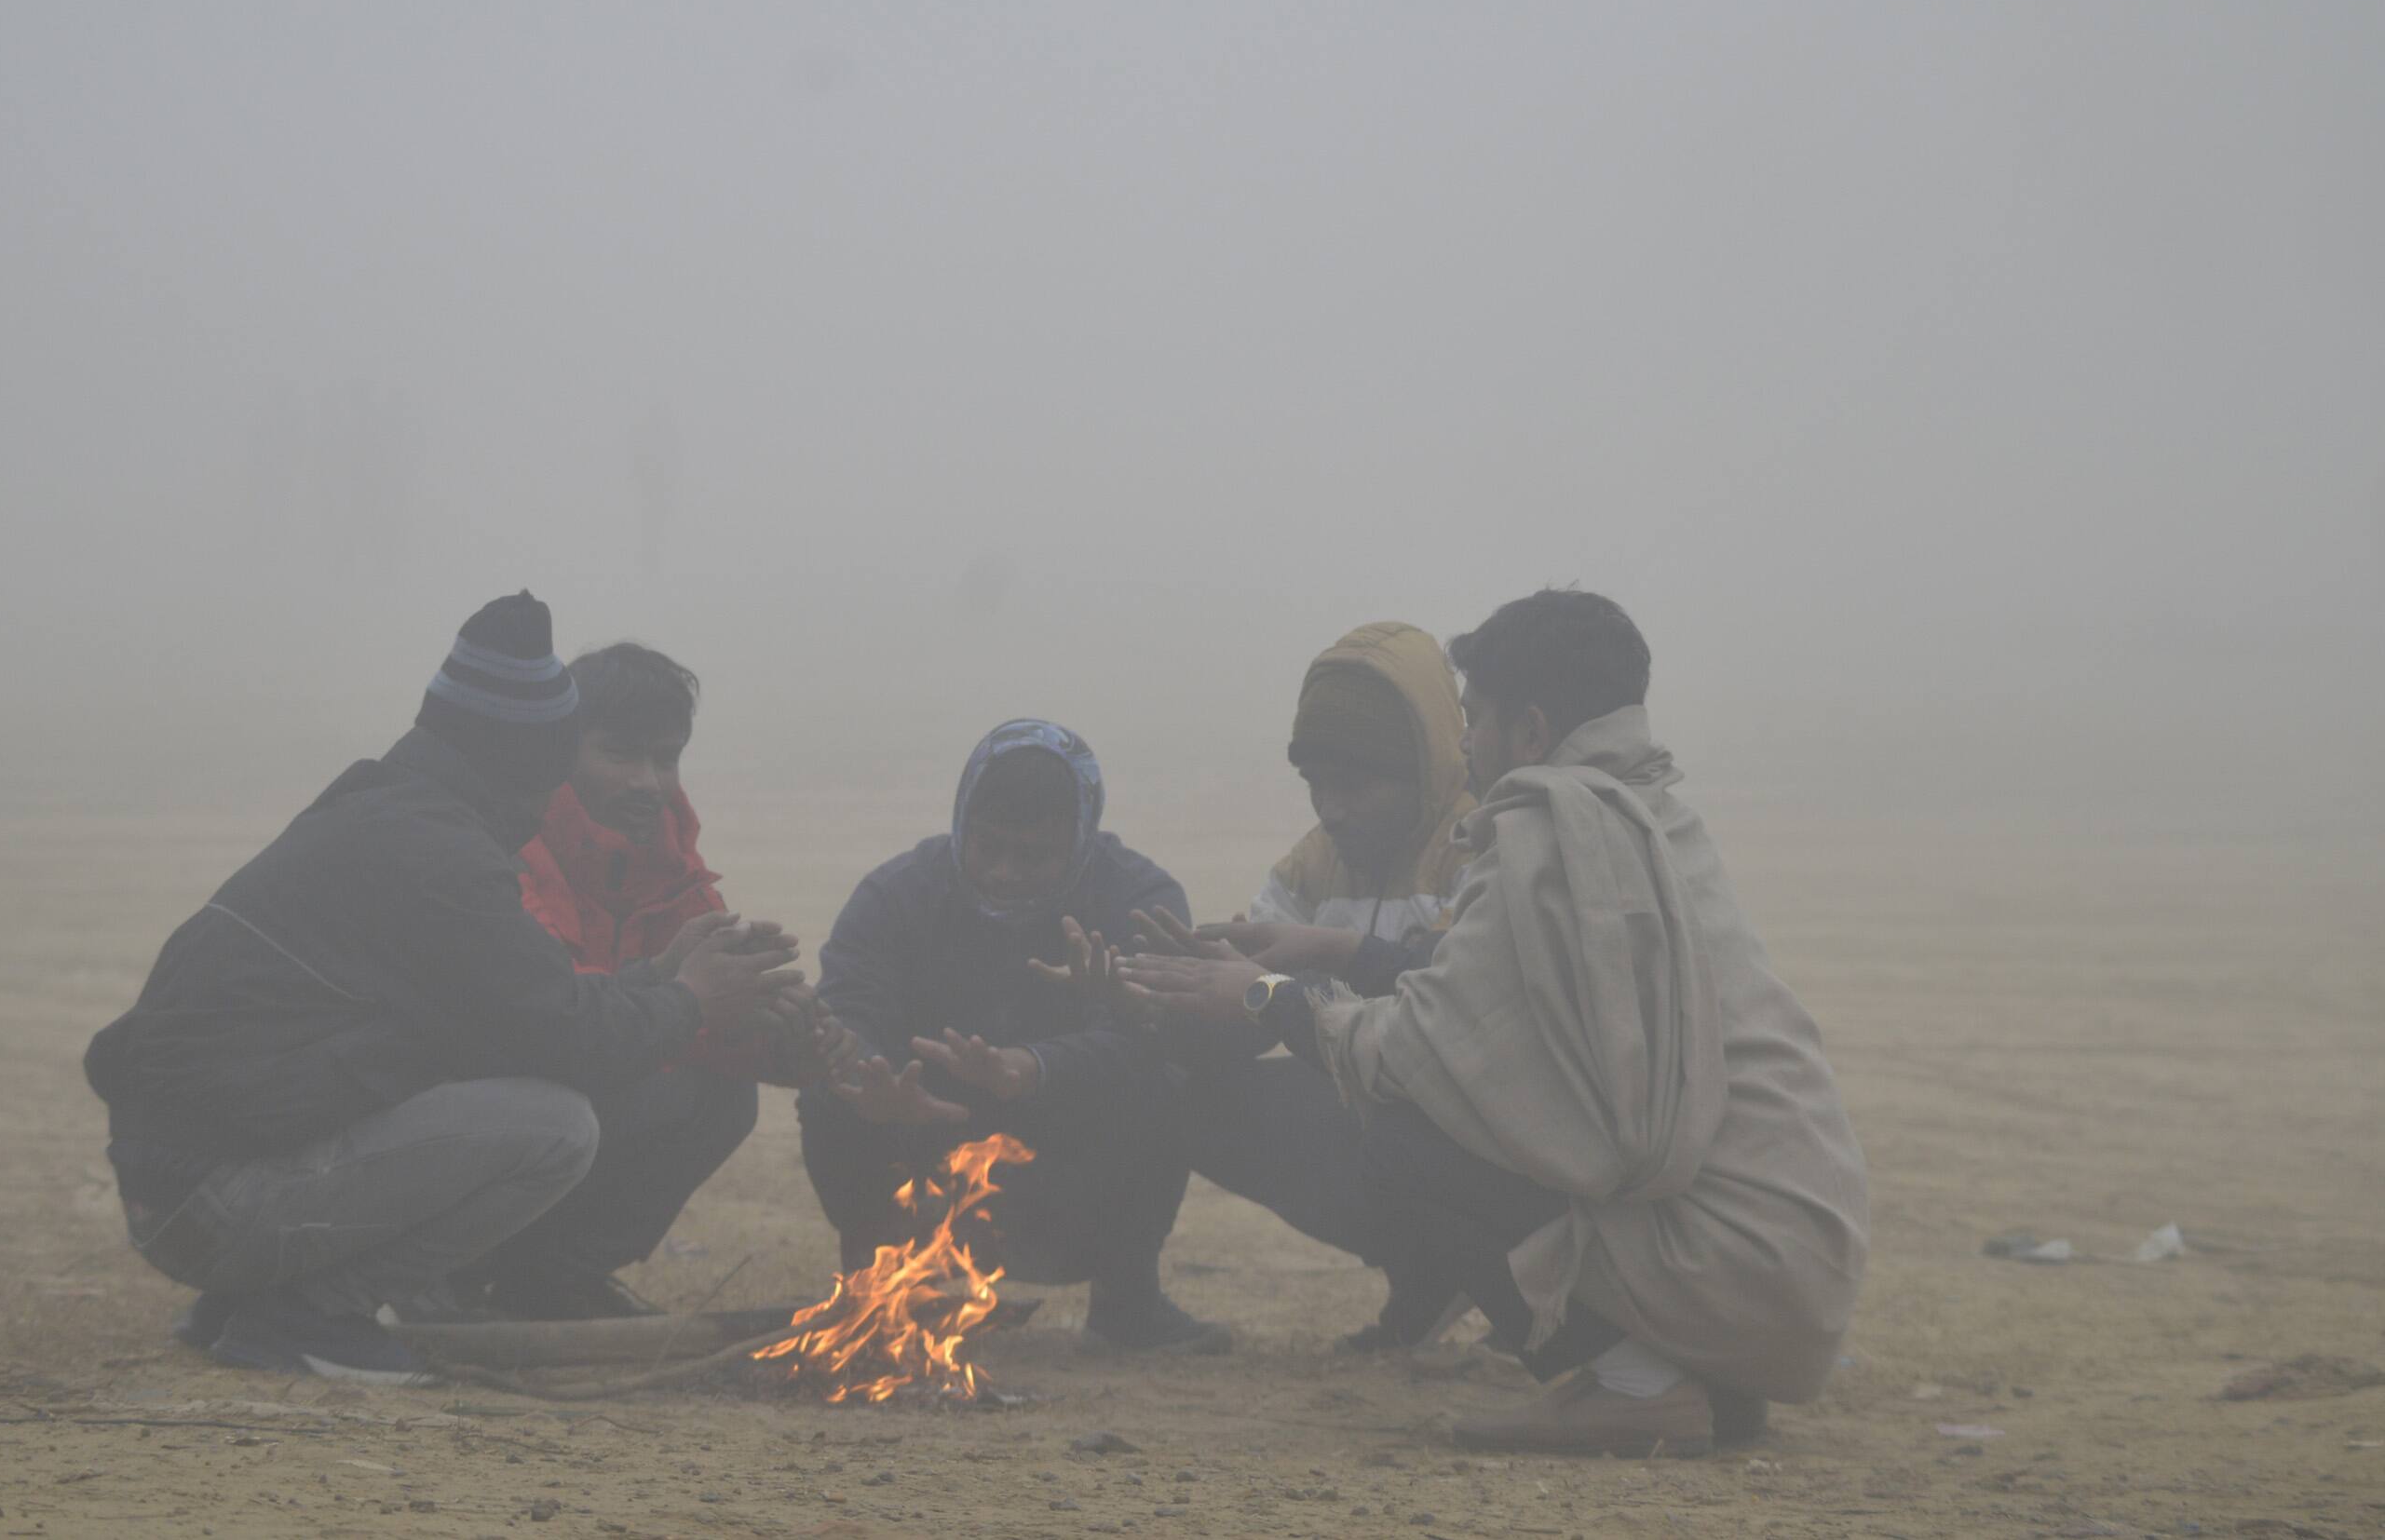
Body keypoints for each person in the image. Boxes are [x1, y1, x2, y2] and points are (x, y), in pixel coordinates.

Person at [1121, 592, 1868, 1455]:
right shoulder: (1648, 818)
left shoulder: (1547, 836)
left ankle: (1634, 1385)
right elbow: (1487, 993)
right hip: (1793, 1286)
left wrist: (1267, 998)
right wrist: (1333, 952)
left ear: (1531, 728)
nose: (1466, 742)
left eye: (1474, 717)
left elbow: (1421, 1050)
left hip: (1720, 1269)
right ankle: (1694, 1390)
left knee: (1404, 1133)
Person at [81, 593, 806, 1384]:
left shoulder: (393, 812)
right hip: (212, 1207)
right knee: (553, 1126)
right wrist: (693, 1000)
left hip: (183, 1189)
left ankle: (252, 1304)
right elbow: (563, 1037)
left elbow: (518, 1006)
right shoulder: (437, 855)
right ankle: (313, 1315)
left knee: (501, 1085)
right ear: (531, 758)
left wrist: (664, 977)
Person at [796, 720, 1229, 1354]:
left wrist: (1029, 1068)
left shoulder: (1137, 899)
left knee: (1171, 1077)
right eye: (987, 845)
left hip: (1060, 1168)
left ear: (1080, 841)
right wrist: (869, 1081)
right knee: (826, 1090)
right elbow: (844, 1008)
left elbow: (1143, 1036)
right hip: (919, 1137)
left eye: (1032, 856)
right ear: (961, 823)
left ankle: (1127, 1302)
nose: (1003, 872)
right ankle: (879, 1290)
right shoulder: (895, 895)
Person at [456, 642, 820, 1319]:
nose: (649, 782)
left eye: (667, 757)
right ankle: (448, 1269)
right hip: (496, 1100)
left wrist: (783, 1037)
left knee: (722, 1096)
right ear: (559, 750)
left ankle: (555, 1280)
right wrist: (699, 1002)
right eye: (620, 754)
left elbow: (696, 1018)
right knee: (582, 1100)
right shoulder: (511, 852)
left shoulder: (669, 860)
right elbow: (554, 1020)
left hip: (580, 1087)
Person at [1165, 621, 1482, 1350]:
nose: (1330, 809)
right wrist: (1172, 1001)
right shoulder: (1312, 865)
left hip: (1468, 1116)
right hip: (1375, 1097)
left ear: (1424, 765)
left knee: (1395, 1138)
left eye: (1353, 784)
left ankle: (1490, 1275)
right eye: (1315, 786)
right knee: (1192, 1102)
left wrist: (1285, 985)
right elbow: (1255, 1000)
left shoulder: (1484, 851)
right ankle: (1424, 1280)